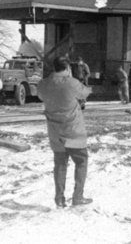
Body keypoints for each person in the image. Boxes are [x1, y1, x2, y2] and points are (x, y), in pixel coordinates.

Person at [38, 56, 92, 208]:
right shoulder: (72, 83)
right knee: (81, 161)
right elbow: (85, 93)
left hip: (55, 131)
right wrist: (73, 77)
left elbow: (41, 95)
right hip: (73, 130)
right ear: (67, 67)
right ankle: (77, 197)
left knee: (60, 165)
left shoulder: (44, 84)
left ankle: (59, 199)